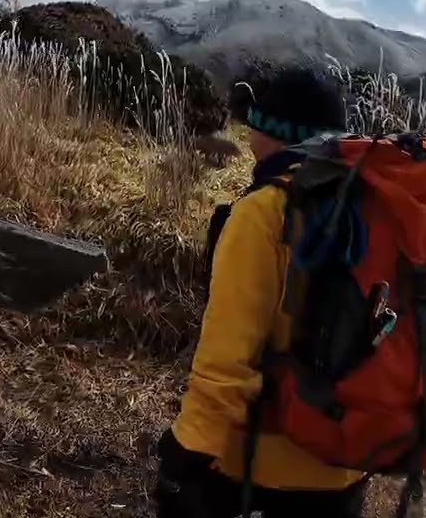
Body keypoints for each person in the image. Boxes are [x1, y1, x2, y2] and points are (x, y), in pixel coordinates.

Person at [154, 66, 369, 518]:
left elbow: (227, 356)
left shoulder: (265, 213)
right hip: (349, 462)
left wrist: (188, 448)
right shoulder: (372, 208)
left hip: (264, 465)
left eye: (254, 125)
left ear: (271, 134)